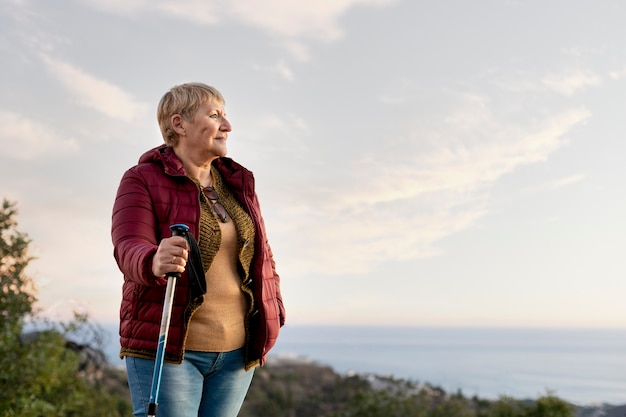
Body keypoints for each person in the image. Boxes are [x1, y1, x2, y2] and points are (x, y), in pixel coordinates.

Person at [111, 82, 286, 417]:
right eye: (215, 115)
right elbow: (127, 246)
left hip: (237, 352)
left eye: (226, 115)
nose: (227, 125)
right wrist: (152, 260)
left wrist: (274, 308)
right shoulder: (141, 179)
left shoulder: (237, 183)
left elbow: (263, 254)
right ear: (179, 124)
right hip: (171, 351)